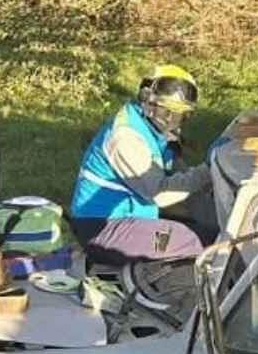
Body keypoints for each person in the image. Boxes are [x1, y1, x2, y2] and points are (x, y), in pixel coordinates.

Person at [70, 64, 218, 265]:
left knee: (211, 234)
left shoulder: (150, 127)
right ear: (148, 101)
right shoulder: (126, 138)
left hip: (130, 218)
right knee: (201, 244)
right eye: (168, 112)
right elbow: (161, 194)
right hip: (103, 228)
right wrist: (208, 172)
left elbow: (175, 171)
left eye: (181, 115)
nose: (173, 121)